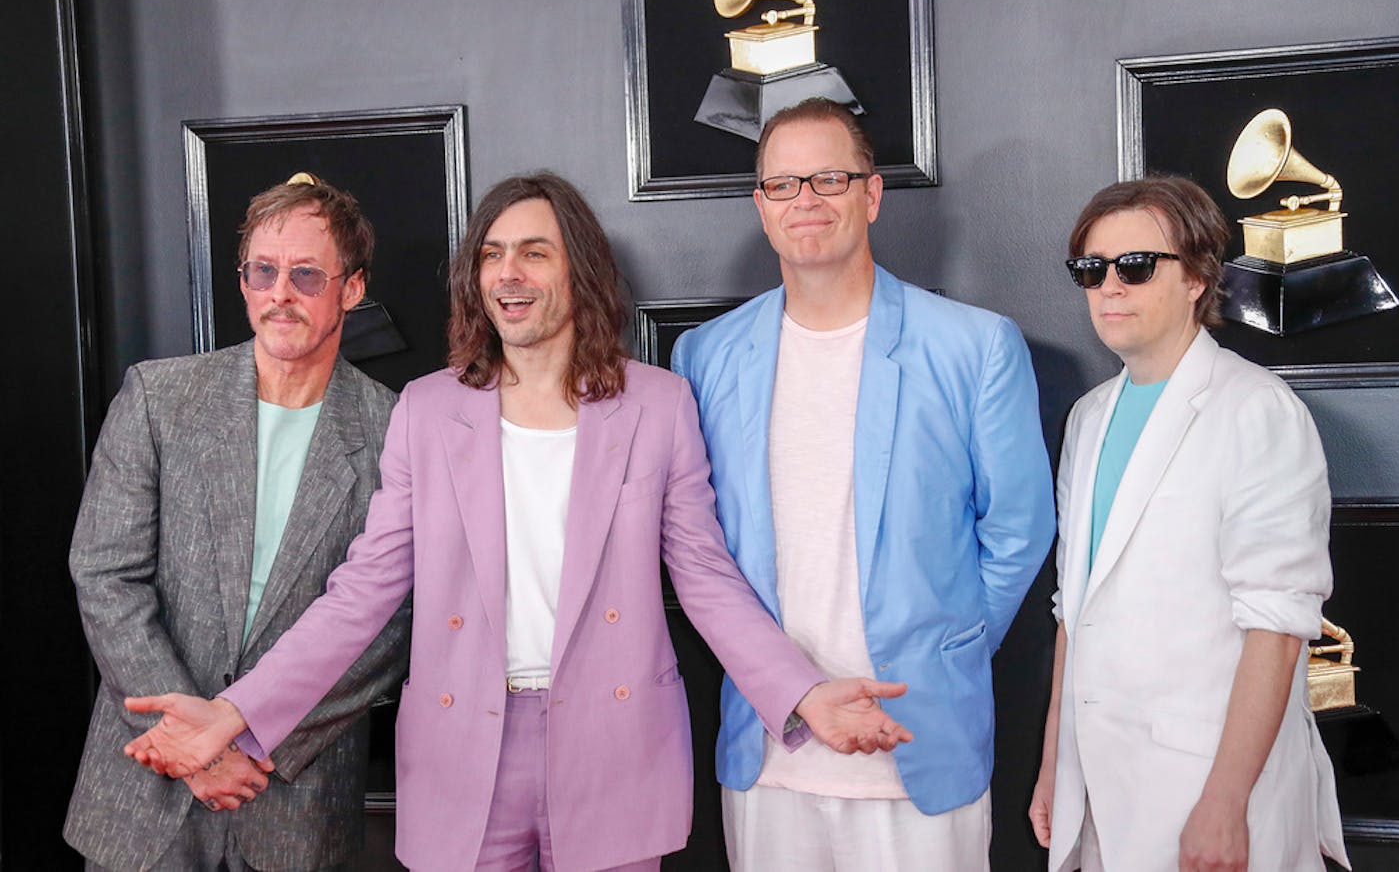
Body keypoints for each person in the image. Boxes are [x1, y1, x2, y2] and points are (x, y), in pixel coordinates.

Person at [121, 172, 913, 871]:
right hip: (462, 753)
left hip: (616, 748)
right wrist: (235, 711)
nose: (509, 271)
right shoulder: (428, 413)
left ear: (580, 270)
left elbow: (705, 578)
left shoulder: (657, 406)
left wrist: (802, 692)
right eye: (493, 253)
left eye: (534, 251)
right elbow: (358, 595)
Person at [671, 98, 1057, 870]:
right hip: (770, 753)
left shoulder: (975, 347)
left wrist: (944, 654)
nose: (805, 201)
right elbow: (699, 552)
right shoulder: (704, 357)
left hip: (918, 748)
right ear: (760, 205)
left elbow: (1020, 528)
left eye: (828, 178)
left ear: (871, 195)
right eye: (782, 184)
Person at [65, 174, 411, 870]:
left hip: (293, 794)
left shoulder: (396, 427)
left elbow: (389, 623)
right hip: (144, 788)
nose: (280, 293)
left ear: (351, 288)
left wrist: (249, 737)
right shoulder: (160, 398)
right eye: (263, 270)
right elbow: (105, 576)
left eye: (307, 274)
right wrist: (190, 745)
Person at [1028, 176, 1350, 871]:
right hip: (1106, 785)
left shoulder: (1258, 410)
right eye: (1091, 269)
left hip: (1212, 782)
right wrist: (1059, 757)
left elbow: (1278, 624)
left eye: (1135, 265)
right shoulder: (1087, 419)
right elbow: (1073, 610)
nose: (1109, 286)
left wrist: (1226, 799)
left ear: (1199, 276)